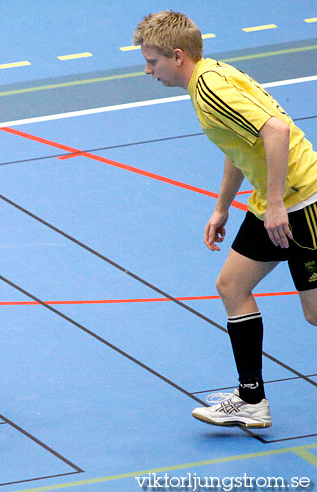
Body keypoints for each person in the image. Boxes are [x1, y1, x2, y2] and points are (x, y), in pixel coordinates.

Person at [133, 11, 317, 428]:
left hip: (303, 200)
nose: (147, 70)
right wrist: (222, 207)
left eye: (152, 61)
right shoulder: (207, 79)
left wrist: (274, 204)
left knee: (315, 313)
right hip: (273, 199)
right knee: (232, 285)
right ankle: (252, 400)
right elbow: (240, 145)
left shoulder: (211, 88)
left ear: (177, 56)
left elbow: (276, 131)